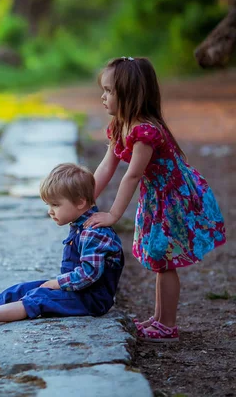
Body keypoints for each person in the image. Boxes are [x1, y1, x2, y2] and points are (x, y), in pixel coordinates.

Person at [84, 56, 226, 342]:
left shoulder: (145, 132)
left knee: (165, 261)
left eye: (109, 91)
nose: (103, 96)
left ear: (130, 94)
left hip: (174, 199)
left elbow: (132, 176)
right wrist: (85, 202)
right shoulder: (118, 127)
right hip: (157, 197)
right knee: (160, 260)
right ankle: (160, 319)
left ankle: (168, 324)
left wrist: (112, 215)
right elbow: (105, 168)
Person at [0, 163, 125, 336]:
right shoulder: (79, 223)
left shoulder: (94, 232)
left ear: (80, 203)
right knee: (24, 288)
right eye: (48, 205)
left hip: (92, 300)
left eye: (56, 205)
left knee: (39, 298)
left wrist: (57, 283)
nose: (50, 211)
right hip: (78, 292)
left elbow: (89, 274)